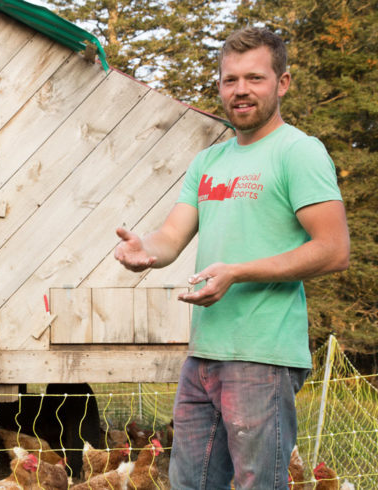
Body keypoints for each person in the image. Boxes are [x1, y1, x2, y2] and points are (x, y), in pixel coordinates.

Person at [114, 27, 349, 489]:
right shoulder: (209, 162)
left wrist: (238, 272)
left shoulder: (298, 152)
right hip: (202, 355)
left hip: (261, 355)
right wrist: (146, 251)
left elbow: (334, 249)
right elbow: (171, 237)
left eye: (255, 78)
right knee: (189, 484)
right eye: (230, 79)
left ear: (282, 83)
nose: (240, 90)